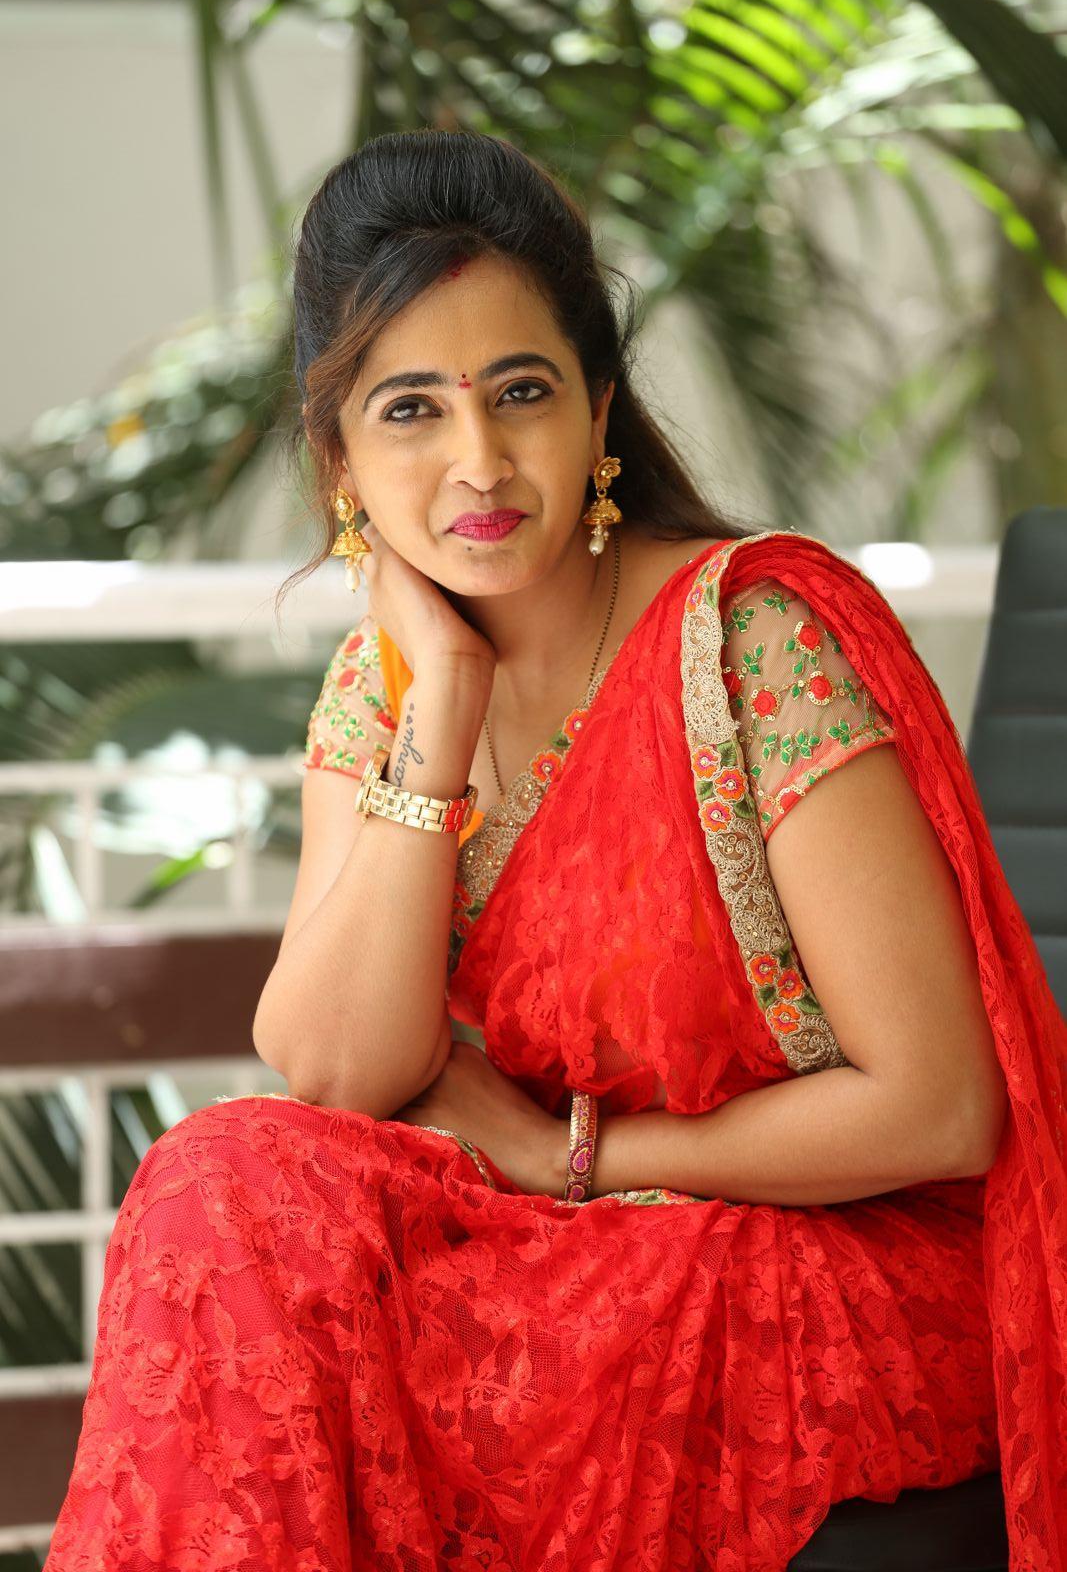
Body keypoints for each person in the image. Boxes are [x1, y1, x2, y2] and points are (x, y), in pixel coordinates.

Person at [44, 129, 1067, 1572]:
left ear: (600, 411)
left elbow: (942, 1111)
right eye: (410, 410)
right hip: (567, 1249)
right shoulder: (393, 688)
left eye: (520, 392)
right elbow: (333, 1071)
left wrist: (566, 1154)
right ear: (339, 461)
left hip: (822, 1253)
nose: (478, 463)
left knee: (401, 1367)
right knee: (227, 1181)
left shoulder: (753, 641)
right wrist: (445, 707)